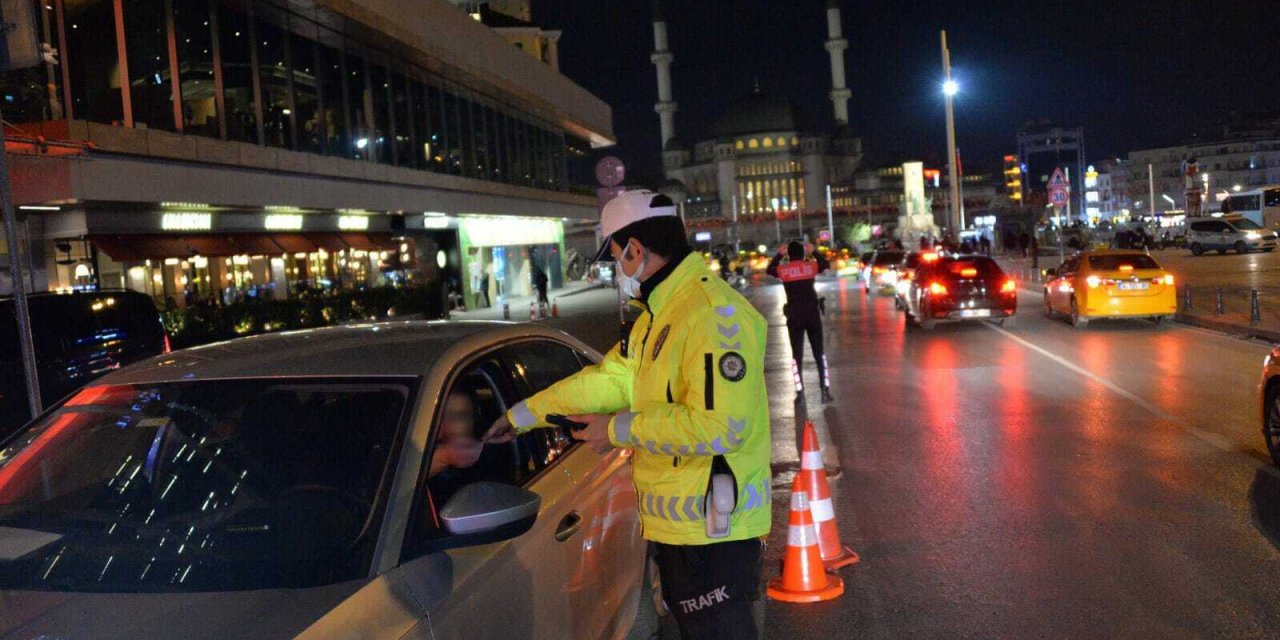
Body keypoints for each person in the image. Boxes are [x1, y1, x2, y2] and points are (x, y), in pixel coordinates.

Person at [485, 190, 771, 639]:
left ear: (636, 249)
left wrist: (617, 429)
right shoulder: (657, 316)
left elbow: (721, 428)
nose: (617, 269)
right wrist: (525, 413)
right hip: (684, 527)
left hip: (715, 532)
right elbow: (610, 381)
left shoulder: (712, 315)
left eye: (617, 256)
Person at [767, 241, 832, 403]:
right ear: (803, 254)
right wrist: (814, 252)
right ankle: (825, 391)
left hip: (794, 316)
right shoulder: (810, 267)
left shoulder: (784, 270)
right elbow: (825, 265)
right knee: (819, 354)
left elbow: (769, 270)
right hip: (812, 314)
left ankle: (800, 393)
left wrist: (779, 255)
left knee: (797, 356)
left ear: (789, 254)